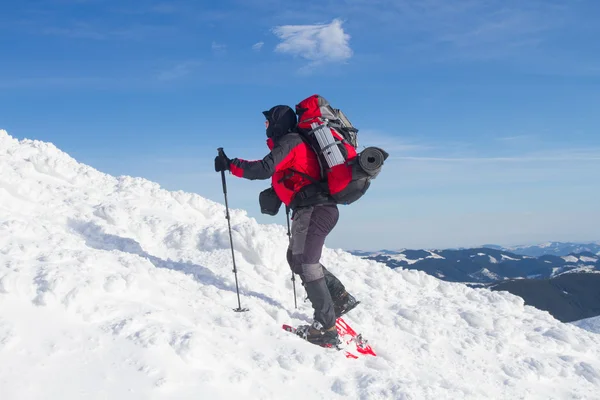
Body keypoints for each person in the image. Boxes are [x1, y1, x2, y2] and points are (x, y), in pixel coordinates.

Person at [214, 105, 359, 347]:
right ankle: (339, 298)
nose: (266, 127)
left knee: (306, 263)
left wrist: (231, 164)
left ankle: (326, 328)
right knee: (295, 258)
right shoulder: (294, 143)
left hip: (315, 210)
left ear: (277, 123)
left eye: (268, 122)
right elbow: (296, 174)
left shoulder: (291, 141)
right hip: (313, 210)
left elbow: (263, 168)